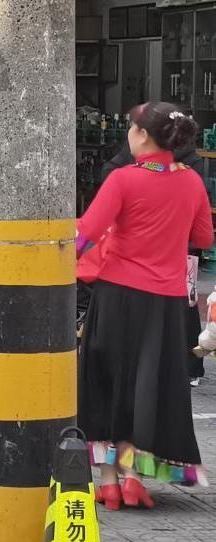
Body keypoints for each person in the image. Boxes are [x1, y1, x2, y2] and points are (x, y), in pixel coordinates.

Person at [77, 102, 212, 510]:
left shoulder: (123, 180)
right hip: (168, 303)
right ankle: (134, 474)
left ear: (141, 135)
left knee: (106, 383)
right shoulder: (191, 182)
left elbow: (85, 235)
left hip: (118, 295)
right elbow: (204, 238)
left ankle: (107, 479)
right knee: (147, 387)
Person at [93, 139, 206, 387]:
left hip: (176, 250)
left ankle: (188, 365)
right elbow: (109, 171)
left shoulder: (190, 161)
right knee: (174, 307)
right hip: (156, 248)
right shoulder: (137, 155)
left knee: (183, 306)